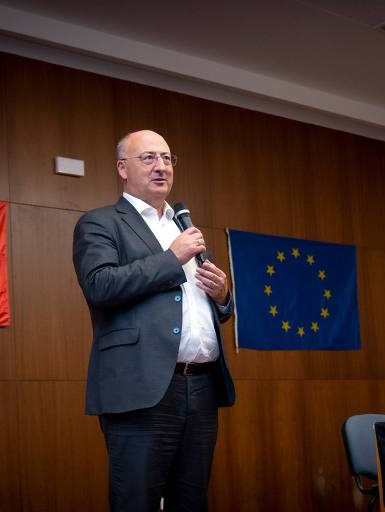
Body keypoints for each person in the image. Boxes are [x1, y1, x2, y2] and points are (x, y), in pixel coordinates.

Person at [72, 130, 236, 511]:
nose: (161, 166)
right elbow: (100, 285)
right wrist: (171, 258)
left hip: (201, 386)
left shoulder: (183, 227)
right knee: (137, 500)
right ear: (122, 169)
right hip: (141, 389)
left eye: (167, 158)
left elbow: (199, 308)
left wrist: (223, 296)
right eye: (148, 158)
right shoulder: (100, 223)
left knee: (191, 500)